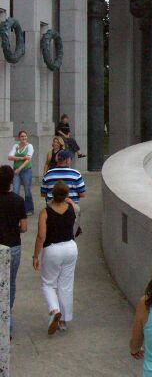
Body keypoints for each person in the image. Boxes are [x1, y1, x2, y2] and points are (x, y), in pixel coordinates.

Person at [33, 180, 78, 334]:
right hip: (71, 247)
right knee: (66, 285)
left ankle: (54, 310)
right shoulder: (71, 207)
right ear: (66, 195)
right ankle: (63, 321)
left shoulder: (45, 212)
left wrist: (35, 256)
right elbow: (74, 208)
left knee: (48, 283)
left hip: (52, 249)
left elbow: (41, 236)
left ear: (52, 194)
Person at [0, 165, 27, 338]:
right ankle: (6, 324)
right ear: (11, 181)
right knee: (10, 284)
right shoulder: (18, 200)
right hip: (13, 246)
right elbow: (23, 227)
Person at [40, 150, 86, 236]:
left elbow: (43, 194)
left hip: (52, 209)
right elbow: (82, 194)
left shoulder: (48, 174)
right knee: (70, 235)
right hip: (71, 209)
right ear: (68, 160)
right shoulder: (76, 174)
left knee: (53, 234)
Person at [8, 129, 35, 215]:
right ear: (19, 138)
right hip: (16, 171)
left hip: (26, 170)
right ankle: (15, 209)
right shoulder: (16, 146)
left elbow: (28, 159)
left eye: (25, 136)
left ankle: (29, 209)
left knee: (27, 190)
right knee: (15, 190)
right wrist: (22, 158)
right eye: (22, 136)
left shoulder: (29, 146)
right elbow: (9, 157)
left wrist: (19, 168)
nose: (24, 138)